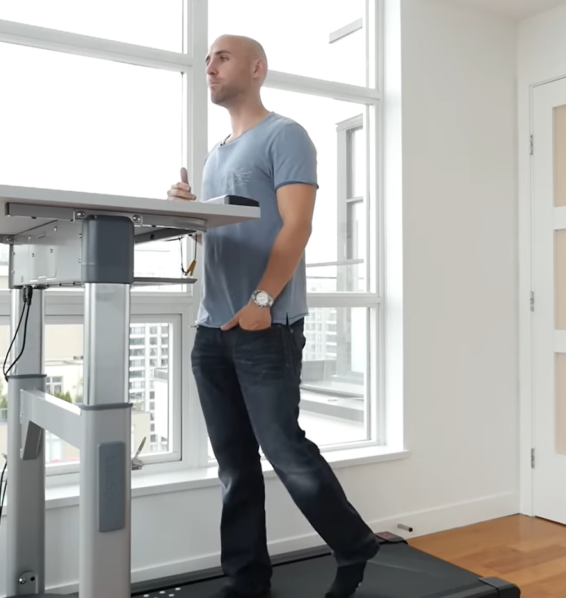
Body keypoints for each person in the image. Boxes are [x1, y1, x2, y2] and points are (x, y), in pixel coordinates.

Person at [167, 34, 378, 598]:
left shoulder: (285, 135)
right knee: (234, 464)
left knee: (284, 449)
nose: (209, 66)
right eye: (208, 58)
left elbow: (297, 226)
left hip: (265, 325)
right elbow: (223, 236)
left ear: (257, 69)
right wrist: (189, 214)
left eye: (222, 57)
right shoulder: (215, 155)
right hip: (212, 330)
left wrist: (261, 302)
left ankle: (354, 542)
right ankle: (246, 579)